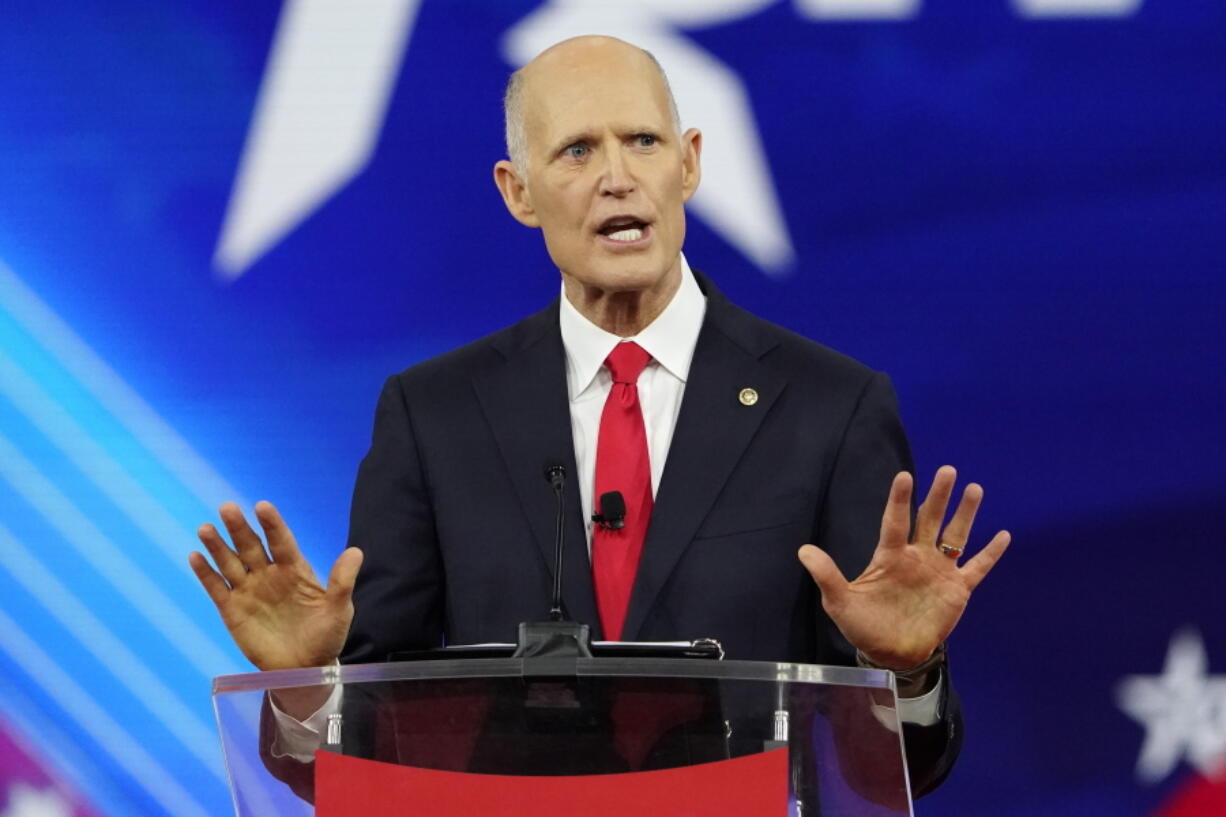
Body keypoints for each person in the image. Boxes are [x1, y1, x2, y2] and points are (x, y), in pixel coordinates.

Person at [189, 35, 1009, 795]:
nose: (618, 175)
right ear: (519, 192)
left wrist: (901, 671)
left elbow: (896, 772)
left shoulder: (830, 406)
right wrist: (304, 688)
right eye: (577, 150)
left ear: (688, 165)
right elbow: (369, 759)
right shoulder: (434, 414)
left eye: (643, 141)